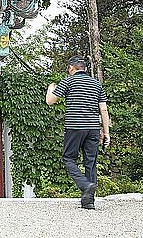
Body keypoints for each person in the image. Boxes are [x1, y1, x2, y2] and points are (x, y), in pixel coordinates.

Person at [46, 56, 110, 210]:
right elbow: (103, 109)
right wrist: (106, 132)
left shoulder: (68, 81)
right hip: (93, 128)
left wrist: (50, 88)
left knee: (68, 158)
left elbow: (50, 100)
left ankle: (85, 185)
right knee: (91, 163)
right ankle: (89, 202)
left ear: (71, 68)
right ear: (85, 69)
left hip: (74, 127)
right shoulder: (96, 84)